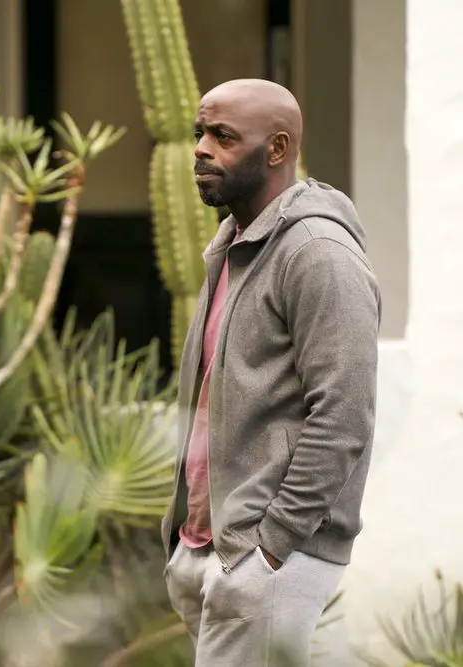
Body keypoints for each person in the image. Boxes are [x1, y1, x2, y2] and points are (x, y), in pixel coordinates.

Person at [160, 78, 381, 666]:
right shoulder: (234, 243)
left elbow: (344, 415)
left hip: (268, 554)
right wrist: (186, 540)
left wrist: (272, 548)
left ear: (277, 149)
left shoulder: (317, 253)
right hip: (211, 546)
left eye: (224, 137)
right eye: (199, 133)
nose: (202, 149)